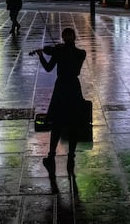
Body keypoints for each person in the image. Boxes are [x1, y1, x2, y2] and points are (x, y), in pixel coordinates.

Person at [31, 27, 88, 176]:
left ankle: (51, 156)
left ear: (63, 38)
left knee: (57, 124)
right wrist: (58, 50)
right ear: (74, 38)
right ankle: (71, 157)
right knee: (73, 124)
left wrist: (41, 55)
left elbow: (48, 68)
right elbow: (74, 67)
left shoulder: (58, 51)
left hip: (61, 88)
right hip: (74, 88)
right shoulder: (81, 53)